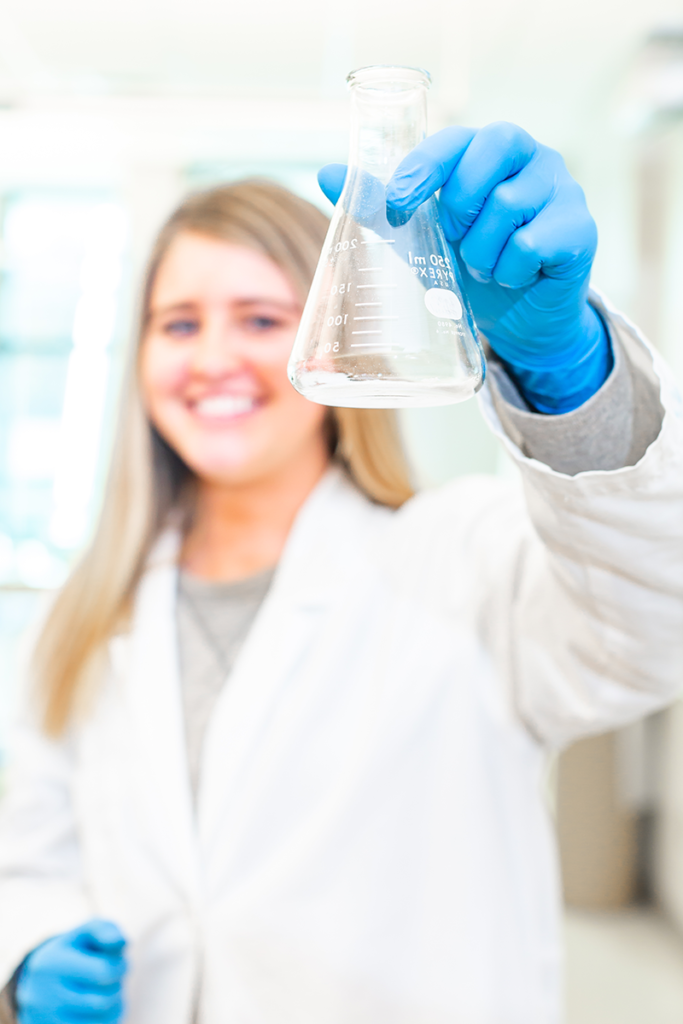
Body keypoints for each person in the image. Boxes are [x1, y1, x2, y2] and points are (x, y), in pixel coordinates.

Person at [0, 122, 682, 1024]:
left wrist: (562, 374)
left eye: (259, 319)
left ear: (334, 340)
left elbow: (649, 627)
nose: (211, 359)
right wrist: (29, 945)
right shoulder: (81, 610)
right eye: (178, 323)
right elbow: (29, 845)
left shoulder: (461, 557)